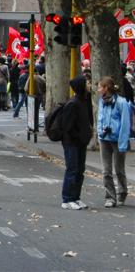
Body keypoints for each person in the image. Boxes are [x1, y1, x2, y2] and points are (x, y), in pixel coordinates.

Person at [97, 76, 131, 208]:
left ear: (106, 88)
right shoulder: (101, 101)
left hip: (117, 140)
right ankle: (110, 197)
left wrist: (123, 144)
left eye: (100, 87)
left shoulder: (121, 103)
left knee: (119, 169)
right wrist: (100, 132)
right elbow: (100, 118)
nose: (98, 89)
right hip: (104, 139)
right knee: (106, 170)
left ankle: (122, 192)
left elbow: (125, 124)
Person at [61, 76, 92, 210]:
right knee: (72, 169)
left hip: (81, 142)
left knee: (80, 170)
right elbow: (67, 127)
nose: (89, 85)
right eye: (87, 83)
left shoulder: (84, 101)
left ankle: (76, 197)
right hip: (72, 142)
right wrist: (79, 136)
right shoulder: (73, 103)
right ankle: (67, 199)